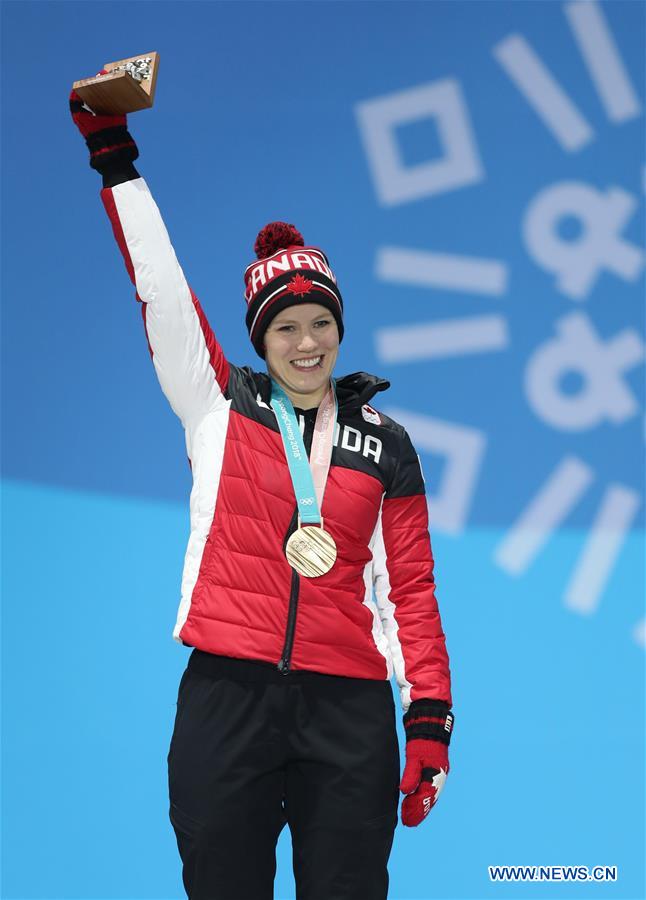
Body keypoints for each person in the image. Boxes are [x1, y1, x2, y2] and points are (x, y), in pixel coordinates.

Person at [70, 80, 455, 900]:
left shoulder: (387, 445)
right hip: (228, 697)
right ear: (261, 338)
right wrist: (115, 159)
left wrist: (429, 718)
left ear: (340, 329)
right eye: (285, 326)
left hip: (348, 709)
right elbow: (160, 288)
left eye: (321, 323)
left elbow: (411, 592)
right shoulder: (218, 403)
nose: (306, 343)